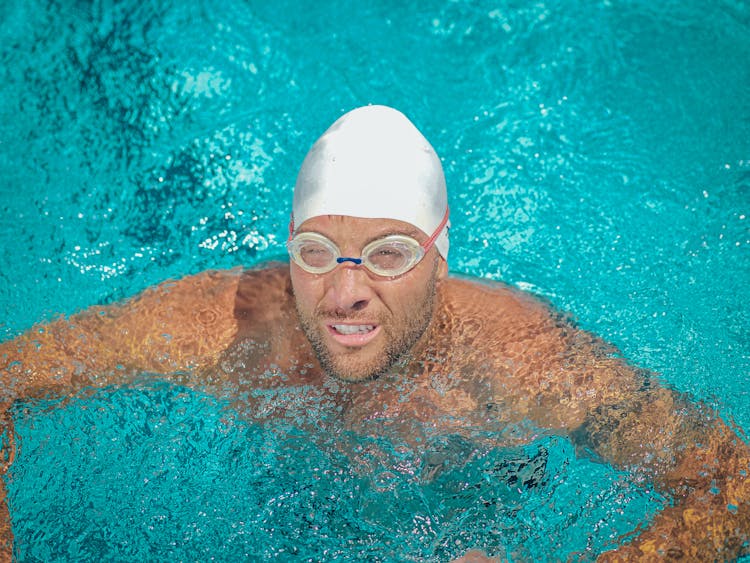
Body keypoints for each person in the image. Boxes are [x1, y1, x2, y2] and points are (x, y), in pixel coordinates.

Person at [1, 105, 748, 561]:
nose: (345, 292)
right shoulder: (227, 321)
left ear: (439, 256)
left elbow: (734, 484)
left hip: (486, 499)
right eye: (315, 254)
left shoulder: (526, 358)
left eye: (389, 254)